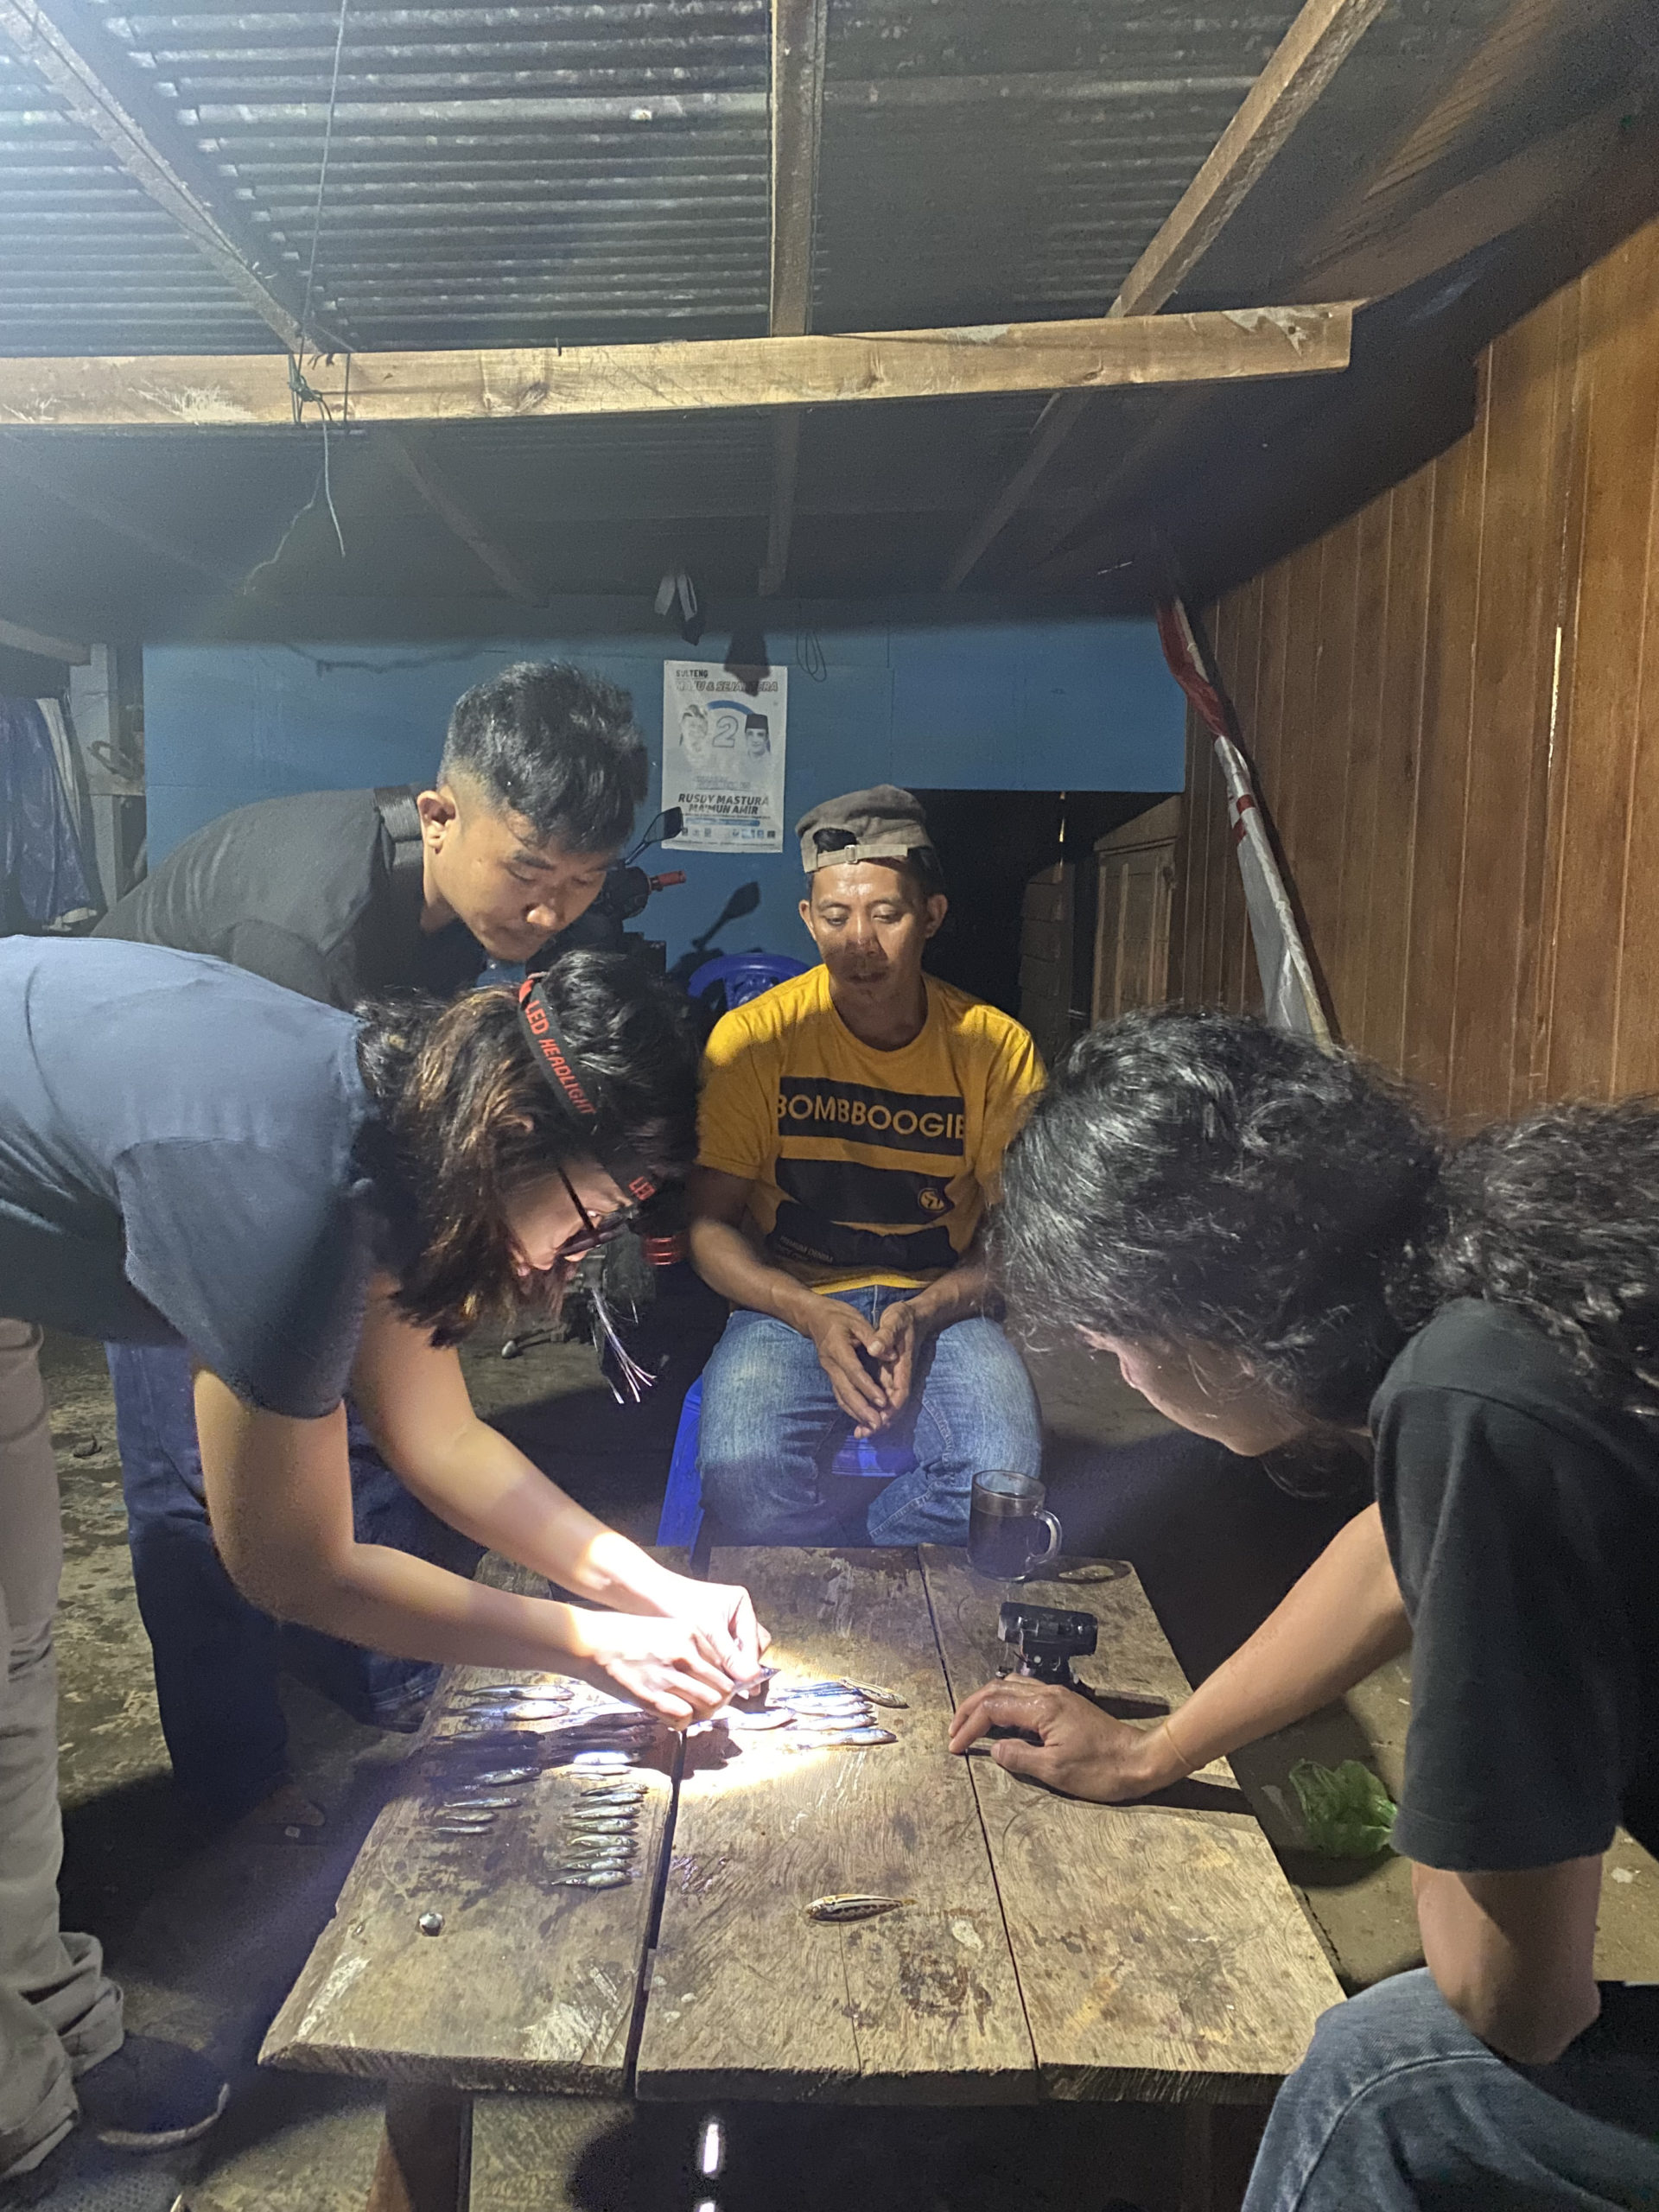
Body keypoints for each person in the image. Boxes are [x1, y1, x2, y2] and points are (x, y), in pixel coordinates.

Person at [0, 935, 764, 2196]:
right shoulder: (294, 1205)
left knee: (17, 1653)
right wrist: (591, 1644)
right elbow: (294, 1570)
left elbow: (442, 1441)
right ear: (514, 1131)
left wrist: (653, 1587)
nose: (575, 1262)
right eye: (588, 1219)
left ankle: (43, 2017)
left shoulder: (415, 1140)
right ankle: (20, 2131)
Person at [950, 1007, 1659, 2211]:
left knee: (1381, 2077)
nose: (1122, 1378)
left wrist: (1464, 1783)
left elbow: (1517, 2003)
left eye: (1114, 1349)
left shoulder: (1471, 1400)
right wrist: (1155, 1749)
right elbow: (1393, 1549)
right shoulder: (1497, 1243)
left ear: (1205, 1326)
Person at [91, 659, 647, 1826]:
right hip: (140, 1175)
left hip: (271, 1141)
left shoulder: (452, 909)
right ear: (441, 813)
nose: (548, 914)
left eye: (582, 882)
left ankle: (396, 1671)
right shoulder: (301, 935)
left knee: (370, 1403)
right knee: (194, 1487)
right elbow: (261, 1170)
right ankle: (239, 1780)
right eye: (530, 873)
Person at [689, 785, 1044, 1546]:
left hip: (941, 1303)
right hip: (792, 1302)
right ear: (807, 918)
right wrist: (809, 1313)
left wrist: (925, 1311)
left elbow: (1019, 1242)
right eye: (836, 916)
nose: (859, 943)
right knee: (743, 1476)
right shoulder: (753, 1041)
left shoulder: (993, 1047)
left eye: (886, 914)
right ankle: (840, 1580)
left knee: (1000, 1481)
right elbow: (709, 1226)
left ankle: (845, 1572)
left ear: (931, 917)